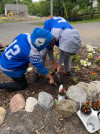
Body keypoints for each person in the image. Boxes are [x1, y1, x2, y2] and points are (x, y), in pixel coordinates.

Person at [33, 16, 82, 82]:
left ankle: (67, 70)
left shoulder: (72, 34)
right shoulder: (54, 34)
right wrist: (53, 61)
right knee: (43, 53)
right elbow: (49, 48)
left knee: (68, 52)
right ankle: (38, 72)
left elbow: (65, 50)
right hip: (49, 27)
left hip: (60, 30)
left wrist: (59, 65)